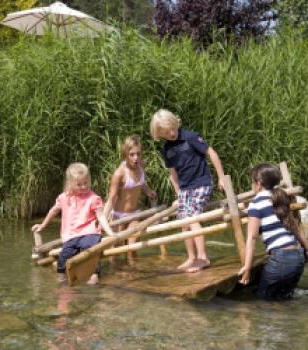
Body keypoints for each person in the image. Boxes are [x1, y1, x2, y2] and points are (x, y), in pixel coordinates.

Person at [150, 109, 225, 272]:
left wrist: (221, 177)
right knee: (183, 221)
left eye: (172, 128)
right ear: (159, 133)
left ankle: (203, 257)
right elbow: (172, 175)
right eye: (165, 132)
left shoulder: (190, 137)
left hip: (201, 183)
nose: (171, 133)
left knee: (192, 218)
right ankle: (192, 257)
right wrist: (179, 195)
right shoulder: (167, 149)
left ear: (175, 123)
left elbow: (211, 152)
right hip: (185, 188)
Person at [238, 163, 308, 300]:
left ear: (258, 184)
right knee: (285, 299)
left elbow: (251, 238)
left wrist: (247, 269)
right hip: (298, 257)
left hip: (281, 257)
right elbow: (294, 227)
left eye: (252, 182)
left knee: (264, 301)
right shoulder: (281, 197)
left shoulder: (256, 204)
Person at [31, 162, 104, 285]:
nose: (83, 187)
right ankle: (64, 283)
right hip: (71, 236)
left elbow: (100, 216)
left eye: (86, 183)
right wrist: (43, 225)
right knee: (64, 259)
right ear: (70, 184)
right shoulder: (64, 197)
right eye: (79, 184)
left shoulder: (92, 198)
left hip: (89, 233)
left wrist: (109, 231)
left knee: (89, 250)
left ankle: (94, 275)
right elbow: (54, 210)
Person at [103, 135, 157, 264]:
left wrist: (149, 192)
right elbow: (111, 199)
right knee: (115, 252)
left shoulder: (141, 165)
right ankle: (115, 276)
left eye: (138, 154)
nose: (136, 158)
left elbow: (141, 183)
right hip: (119, 216)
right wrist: (103, 220)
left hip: (134, 215)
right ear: (125, 154)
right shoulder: (119, 173)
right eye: (132, 154)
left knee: (132, 250)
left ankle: (133, 273)